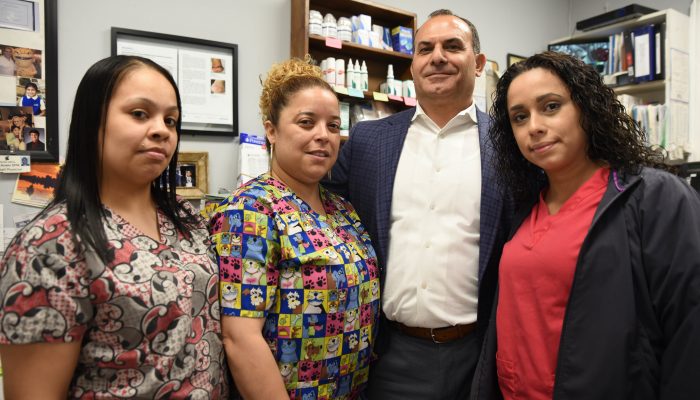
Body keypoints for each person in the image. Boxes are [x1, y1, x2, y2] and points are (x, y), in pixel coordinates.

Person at [471, 51, 700, 400]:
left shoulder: (655, 197)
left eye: (550, 106)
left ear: (586, 108)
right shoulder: (524, 209)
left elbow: (690, 330)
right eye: (520, 117)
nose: (534, 126)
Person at [0, 55, 228, 399]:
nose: (161, 130)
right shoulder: (49, 245)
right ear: (93, 121)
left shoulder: (186, 218)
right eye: (139, 114)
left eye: (171, 120)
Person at [324, 9, 511, 399]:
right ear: (412, 66)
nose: (437, 57)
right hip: (389, 354)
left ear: (478, 64)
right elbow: (311, 199)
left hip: (477, 355)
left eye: (452, 46)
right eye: (425, 48)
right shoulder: (368, 142)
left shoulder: (509, 146)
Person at [210, 57, 380, 399]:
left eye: (333, 126)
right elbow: (241, 339)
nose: (323, 136)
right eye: (306, 122)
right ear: (271, 130)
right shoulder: (251, 211)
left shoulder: (342, 210)